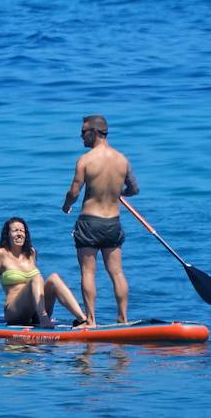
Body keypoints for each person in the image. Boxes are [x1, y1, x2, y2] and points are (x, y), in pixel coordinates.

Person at [62, 114, 139, 326]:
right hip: (113, 223)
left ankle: (92, 320)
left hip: (90, 222)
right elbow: (134, 188)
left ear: (95, 132)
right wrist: (120, 193)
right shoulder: (122, 160)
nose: (81, 137)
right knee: (117, 272)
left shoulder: (85, 161)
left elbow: (74, 192)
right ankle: (123, 318)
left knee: (88, 272)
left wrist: (66, 206)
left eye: (83, 132)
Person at [0, 217, 87, 327]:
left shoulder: (31, 253)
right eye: (15, 230)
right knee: (36, 278)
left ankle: (82, 319)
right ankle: (43, 318)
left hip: (35, 311)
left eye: (22, 231)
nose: (19, 234)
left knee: (54, 278)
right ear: (7, 234)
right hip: (15, 312)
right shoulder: (0, 254)